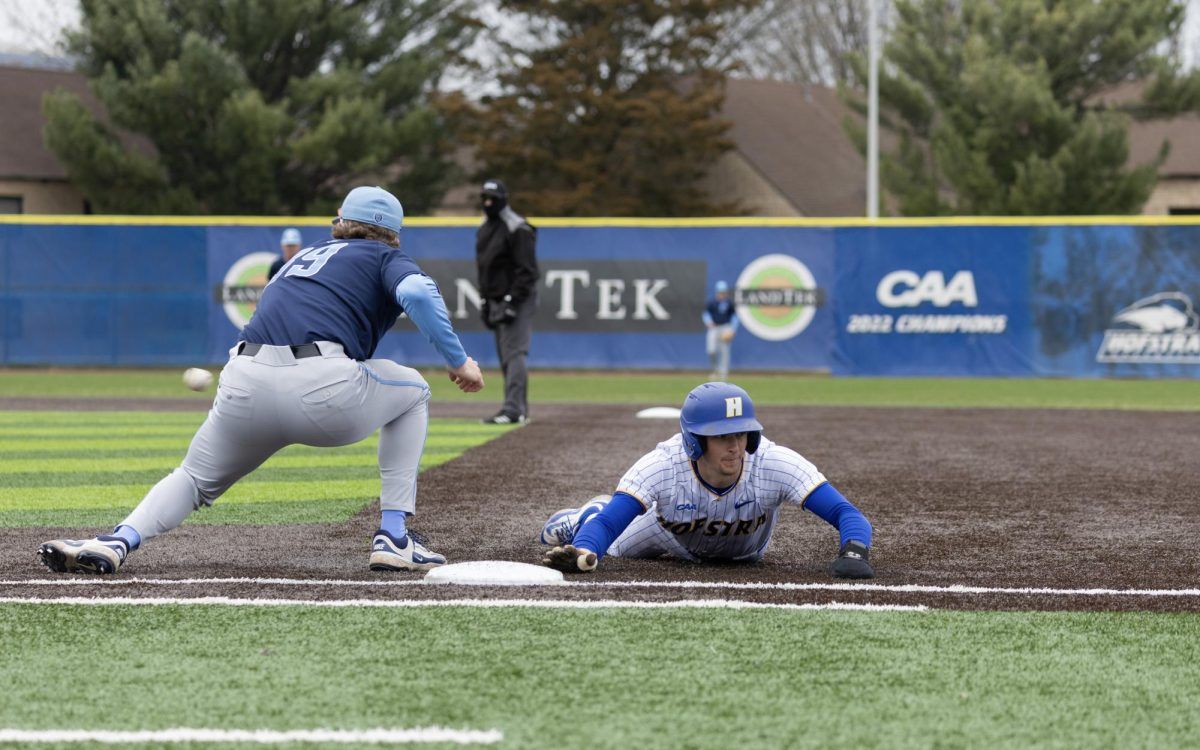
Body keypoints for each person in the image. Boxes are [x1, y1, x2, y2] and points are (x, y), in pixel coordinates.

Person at [38, 186, 484, 576]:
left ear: (341, 224)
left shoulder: (303, 256)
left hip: (244, 380)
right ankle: (393, 537)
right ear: (393, 232)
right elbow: (419, 293)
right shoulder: (385, 255)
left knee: (192, 479)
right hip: (323, 388)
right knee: (414, 392)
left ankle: (117, 540)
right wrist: (459, 360)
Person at [539, 382, 874, 578]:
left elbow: (848, 514)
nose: (735, 445)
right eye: (722, 436)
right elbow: (611, 523)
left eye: (742, 433)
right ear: (694, 441)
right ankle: (580, 516)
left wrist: (854, 553)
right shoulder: (662, 465)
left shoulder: (773, 463)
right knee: (610, 547)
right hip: (668, 536)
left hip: (744, 556)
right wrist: (583, 552)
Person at [475, 178, 539, 425]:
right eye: (484, 197)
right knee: (506, 354)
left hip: (519, 298)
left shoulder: (518, 227)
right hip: (494, 298)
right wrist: (484, 300)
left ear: (504, 199)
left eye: (492, 198)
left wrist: (513, 300)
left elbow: (528, 271)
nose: (488, 202)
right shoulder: (484, 228)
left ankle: (513, 410)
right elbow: (485, 269)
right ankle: (518, 409)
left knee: (514, 352)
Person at [702, 280, 738, 380]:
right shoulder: (712, 302)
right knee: (711, 350)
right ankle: (714, 370)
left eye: (724, 292)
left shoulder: (729, 303)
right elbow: (706, 314)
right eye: (720, 292)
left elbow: (734, 317)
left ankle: (723, 373)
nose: (722, 294)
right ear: (717, 292)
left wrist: (733, 329)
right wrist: (708, 322)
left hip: (725, 327)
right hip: (714, 328)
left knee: (724, 351)